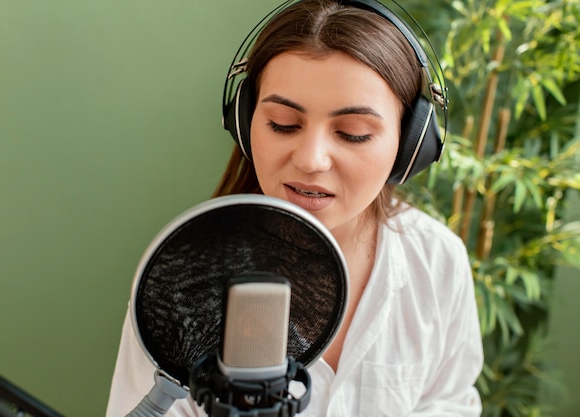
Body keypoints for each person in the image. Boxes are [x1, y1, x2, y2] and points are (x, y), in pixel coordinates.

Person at [106, 0, 484, 415]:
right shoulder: (180, 284)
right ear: (247, 121)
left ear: (411, 145)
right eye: (283, 124)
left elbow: (450, 403)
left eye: (353, 133)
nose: (311, 160)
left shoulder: (437, 261)